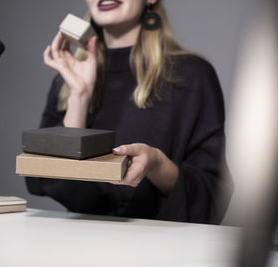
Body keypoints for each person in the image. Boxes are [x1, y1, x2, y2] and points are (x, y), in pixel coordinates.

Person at [26, 0, 233, 224]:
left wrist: (157, 164)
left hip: (162, 248)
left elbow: (213, 195)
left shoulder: (192, 75)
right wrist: (80, 96)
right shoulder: (69, 79)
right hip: (81, 243)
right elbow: (43, 178)